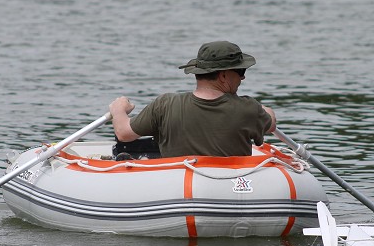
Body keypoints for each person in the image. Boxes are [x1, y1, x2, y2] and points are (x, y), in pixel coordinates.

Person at [109, 41, 276, 158]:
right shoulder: (249, 109)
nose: (243, 78)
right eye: (240, 72)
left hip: (177, 190)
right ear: (223, 75)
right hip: (231, 190)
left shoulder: (165, 104)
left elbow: (124, 134)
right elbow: (271, 124)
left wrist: (118, 109)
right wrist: (263, 110)